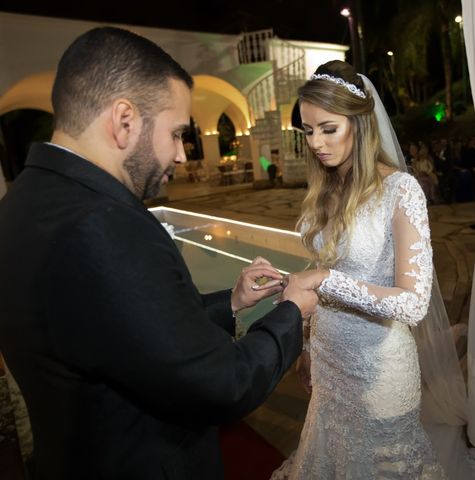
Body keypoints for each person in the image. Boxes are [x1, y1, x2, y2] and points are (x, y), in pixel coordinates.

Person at [0, 27, 317, 479]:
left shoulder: (23, 203)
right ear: (125, 120)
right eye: (176, 133)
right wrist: (291, 310)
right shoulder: (103, 223)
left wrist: (230, 302)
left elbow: (131, 334)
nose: (183, 155)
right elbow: (222, 385)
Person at [265, 61, 475, 480]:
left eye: (327, 128)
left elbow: (412, 302)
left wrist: (322, 280)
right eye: (308, 130)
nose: (315, 142)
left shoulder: (400, 190)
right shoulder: (327, 189)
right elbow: (326, 270)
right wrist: (308, 348)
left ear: (360, 124)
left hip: (379, 371)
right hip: (330, 364)